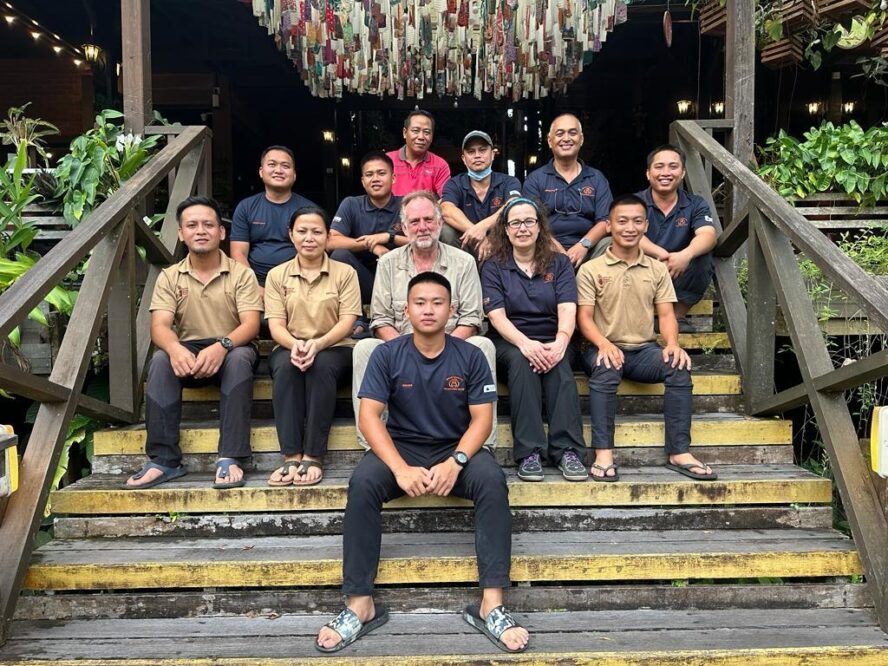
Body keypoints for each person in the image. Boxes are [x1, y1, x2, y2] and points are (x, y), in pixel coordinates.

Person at [316, 272, 529, 654]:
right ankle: (359, 603)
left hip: (456, 448)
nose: (428, 310)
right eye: (420, 302)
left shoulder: (470, 355)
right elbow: (369, 418)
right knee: (363, 483)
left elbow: (482, 419)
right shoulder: (387, 354)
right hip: (403, 450)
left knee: (492, 481)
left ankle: (491, 604)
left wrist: (457, 461)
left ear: (451, 310)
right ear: (405, 309)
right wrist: (399, 468)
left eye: (437, 303)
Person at [576, 194, 717, 482]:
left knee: (678, 367)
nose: (630, 228)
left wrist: (673, 345)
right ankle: (604, 452)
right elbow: (584, 319)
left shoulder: (656, 269)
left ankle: (679, 451)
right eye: (622, 221)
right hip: (601, 347)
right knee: (606, 369)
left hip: (643, 351)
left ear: (645, 226)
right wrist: (603, 344)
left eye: (637, 221)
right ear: (609, 226)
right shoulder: (591, 269)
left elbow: (666, 315)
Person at [126, 196, 262, 490]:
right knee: (161, 361)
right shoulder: (170, 276)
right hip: (190, 350)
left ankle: (230, 456)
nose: (201, 230)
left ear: (221, 232)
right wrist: (175, 349)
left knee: (239, 360)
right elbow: (159, 326)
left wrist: (222, 345)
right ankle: (164, 460)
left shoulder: (241, 274)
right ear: (181, 234)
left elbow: (250, 324)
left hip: (233, 346)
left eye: (208, 224)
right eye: (192, 225)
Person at [351, 190, 497, 447]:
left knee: (483, 346)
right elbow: (381, 320)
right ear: (404, 228)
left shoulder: (463, 262)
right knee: (364, 348)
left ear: (440, 223)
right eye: (415, 222)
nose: (422, 227)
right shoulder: (387, 263)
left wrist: (444, 349)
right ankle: (373, 444)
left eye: (429, 220)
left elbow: (472, 318)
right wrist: (405, 352)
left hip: (451, 345)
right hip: (400, 346)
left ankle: (482, 444)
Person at [481, 197, 587, 482]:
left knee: (560, 365)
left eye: (529, 221)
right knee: (522, 363)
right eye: (515, 222)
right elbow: (497, 316)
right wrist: (526, 344)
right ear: (504, 229)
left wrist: (562, 340)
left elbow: (567, 307)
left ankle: (568, 450)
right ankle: (529, 452)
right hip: (510, 341)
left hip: (554, 337)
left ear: (541, 227)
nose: (522, 228)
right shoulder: (494, 266)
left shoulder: (560, 263)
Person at [265, 207, 361, 487]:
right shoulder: (276, 275)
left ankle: (313, 455)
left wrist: (317, 345)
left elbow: (347, 321)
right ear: (291, 235)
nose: (310, 238)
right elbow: (275, 326)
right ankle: (291, 455)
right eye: (302, 231)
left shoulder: (345, 272)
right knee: (285, 368)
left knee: (321, 366)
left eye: (317, 231)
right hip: (290, 345)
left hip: (336, 346)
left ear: (328, 236)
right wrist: (296, 345)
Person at [637, 144, 717, 330]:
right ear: (648, 174)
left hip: (678, 271)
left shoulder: (695, 204)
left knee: (703, 254)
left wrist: (685, 255)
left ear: (682, 173)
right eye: (659, 167)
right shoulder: (635, 202)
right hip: (643, 270)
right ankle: (642, 320)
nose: (666, 172)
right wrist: (660, 254)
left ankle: (676, 317)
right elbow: (628, 235)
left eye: (673, 167)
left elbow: (708, 234)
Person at [523, 113, 613, 268]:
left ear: (581, 139)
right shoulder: (536, 179)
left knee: (611, 242)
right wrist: (556, 249)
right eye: (560, 134)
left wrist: (583, 245)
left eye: (572, 133)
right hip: (545, 246)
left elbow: (605, 221)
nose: (566, 139)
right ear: (550, 141)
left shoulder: (596, 178)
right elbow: (530, 221)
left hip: (589, 249)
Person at [328, 151, 407, 315]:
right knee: (339, 255)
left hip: (401, 279)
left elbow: (425, 242)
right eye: (369, 174)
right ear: (363, 181)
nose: (375, 179)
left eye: (381, 173)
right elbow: (331, 241)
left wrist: (390, 237)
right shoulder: (351, 204)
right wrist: (371, 245)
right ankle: (353, 315)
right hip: (364, 280)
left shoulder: (406, 204)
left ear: (393, 178)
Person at [230, 145, 319, 288]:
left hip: (297, 281)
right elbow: (238, 253)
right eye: (272, 165)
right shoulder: (246, 207)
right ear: (261, 171)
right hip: (254, 280)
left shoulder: (309, 210)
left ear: (294, 175)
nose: (278, 170)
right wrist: (253, 287)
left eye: (285, 166)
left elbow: (315, 252)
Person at [440, 130, 522, 259]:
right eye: (471, 152)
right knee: (445, 231)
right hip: (466, 246)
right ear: (464, 159)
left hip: (501, 243)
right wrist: (477, 233)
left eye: (482, 150)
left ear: (493, 154)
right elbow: (446, 210)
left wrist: (483, 227)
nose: (477, 155)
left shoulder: (509, 182)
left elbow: (514, 205)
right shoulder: (454, 184)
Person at [387, 110, 451, 197]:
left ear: (432, 136)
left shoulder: (440, 165)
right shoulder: (387, 161)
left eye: (427, 132)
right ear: (405, 133)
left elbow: (446, 199)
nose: (421, 137)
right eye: (415, 131)